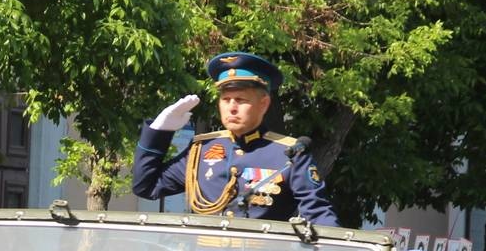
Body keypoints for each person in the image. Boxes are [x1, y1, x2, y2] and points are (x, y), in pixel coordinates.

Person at [133, 52, 337, 224]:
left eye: (240, 100)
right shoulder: (201, 150)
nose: (231, 107)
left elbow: (318, 213)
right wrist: (159, 132)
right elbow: (147, 186)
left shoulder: (289, 154)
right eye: (225, 99)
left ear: (263, 104)